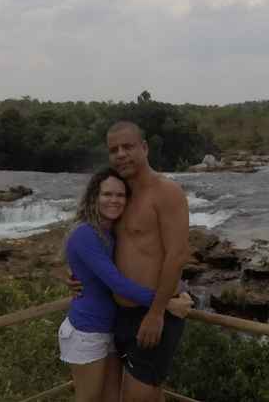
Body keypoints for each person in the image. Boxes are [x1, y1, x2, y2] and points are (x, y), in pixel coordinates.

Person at [69, 121, 191, 402]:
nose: (121, 154)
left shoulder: (166, 192)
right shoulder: (119, 196)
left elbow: (177, 254)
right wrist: (76, 276)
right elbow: (100, 246)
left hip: (152, 315)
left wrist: (157, 312)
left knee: (136, 397)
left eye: (128, 146)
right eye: (114, 150)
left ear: (145, 148)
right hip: (118, 315)